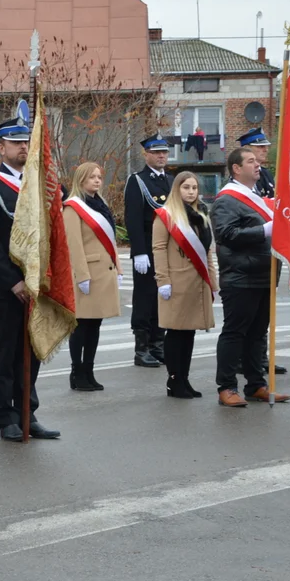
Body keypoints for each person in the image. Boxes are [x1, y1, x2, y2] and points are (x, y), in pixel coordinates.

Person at [0, 116, 60, 442]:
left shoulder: (40, 183)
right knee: (7, 353)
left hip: (38, 284)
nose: (23, 147)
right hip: (7, 287)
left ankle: (28, 412)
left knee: (32, 351)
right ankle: (6, 417)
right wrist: (13, 281)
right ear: (2, 147)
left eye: (26, 142)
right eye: (16, 142)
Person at [210, 148, 290, 408]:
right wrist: (263, 230)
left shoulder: (257, 197)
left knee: (258, 333)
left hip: (264, 273)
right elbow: (226, 234)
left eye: (258, 161)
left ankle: (256, 384)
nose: (258, 165)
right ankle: (226, 387)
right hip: (240, 276)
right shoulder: (227, 199)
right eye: (251, 161)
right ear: (236, 168)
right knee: (235, 333)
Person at [152, 172, 219, 399]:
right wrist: (163, 281)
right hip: (177, 281)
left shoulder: (201, 215)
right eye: (186, 187)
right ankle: (174, 381)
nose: (191, 192)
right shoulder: (166, 216)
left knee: (189, 333)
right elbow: (159, 249)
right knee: (176, 332)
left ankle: (184, 378)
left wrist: (213, 280)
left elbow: (207, 251)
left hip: (197, 282)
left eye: (194, 188)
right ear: (176, 190)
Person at [62, 162, 122, 392]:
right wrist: (81, 276)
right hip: (87, 274)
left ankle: (89, 370)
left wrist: (118, 268)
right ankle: (77, 372)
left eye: (99, 177)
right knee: (81, 325)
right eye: (92, 177)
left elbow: (111, 238)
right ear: (81, 180)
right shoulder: (73, 208)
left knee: (95, 324)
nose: (97, 181)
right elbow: (73, 245)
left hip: (104, 271)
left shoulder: (101, 204)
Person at [239, 126, 287, 376]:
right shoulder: (237, 181)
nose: (265, 150)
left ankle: (260, 357)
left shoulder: (266, 175)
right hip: (251, 248)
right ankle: (244, 358)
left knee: (264, 312)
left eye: (266, 146)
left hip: (268, 249)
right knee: (248, 313)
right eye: (260, 147)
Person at [124, 134, 173, 368]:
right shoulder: (138, 181)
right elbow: (132, 219)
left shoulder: (172, 181)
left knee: (162, 297)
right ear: (146, 155)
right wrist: (139, 251)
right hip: (147, 248)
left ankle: (157, 344)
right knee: (144, 298)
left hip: (167, 250)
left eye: (164, 152)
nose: (161, 156)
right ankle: (141, 348)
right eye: (156, 152)